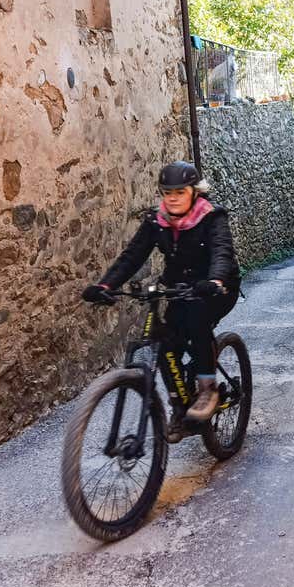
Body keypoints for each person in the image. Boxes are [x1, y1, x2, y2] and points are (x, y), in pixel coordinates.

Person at [82, 161, 240, 425]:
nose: (173, 198)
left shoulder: (212, 217)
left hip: (216, 288)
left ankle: (207, 389)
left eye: (180, 192)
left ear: (195, 192)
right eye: (168, 193)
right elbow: (132, 256)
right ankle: (179, 406)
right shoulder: (156, 220)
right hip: (178, 288)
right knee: (166, 342)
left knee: (197, 320)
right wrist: (105, 285)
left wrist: (215, 280)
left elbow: (222, 251)